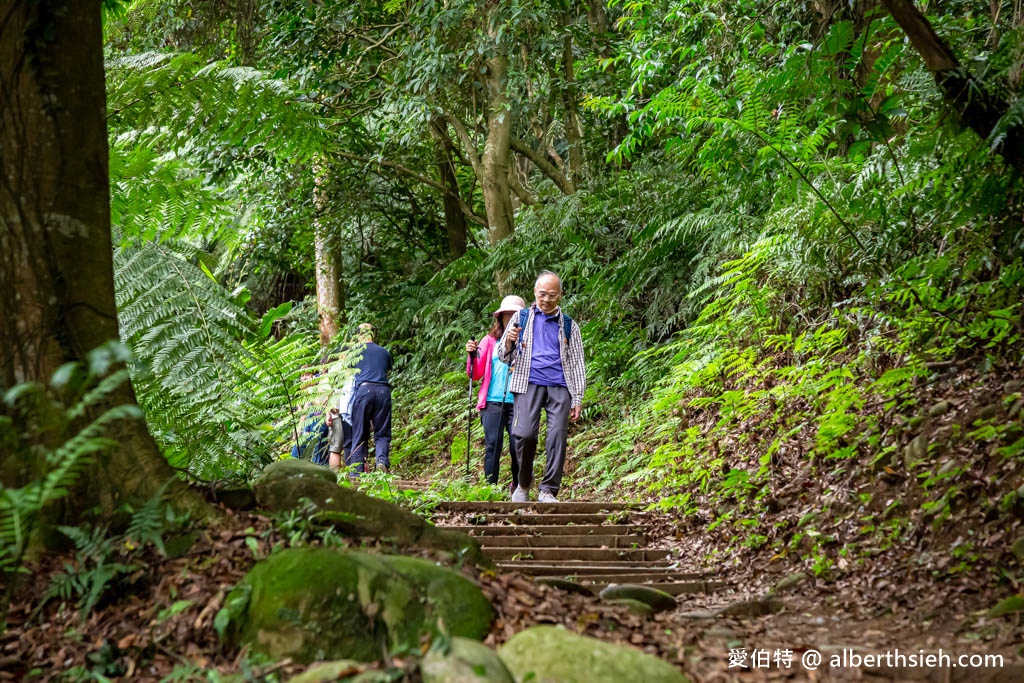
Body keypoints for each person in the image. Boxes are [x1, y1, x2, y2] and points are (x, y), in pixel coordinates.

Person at [499, 271, 585, 503]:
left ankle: (548, 490)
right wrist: (509, 341)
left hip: (560, 385)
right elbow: (502, 356)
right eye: (542, 294)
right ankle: (524, 483)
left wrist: (577, 397)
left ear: (560, 295)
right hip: (528, 383)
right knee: (523, 434)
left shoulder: (569, 325)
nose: (546, 299)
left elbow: (577, 362)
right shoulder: (520, 319)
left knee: (557, 436)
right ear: (534, 293)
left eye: (552, 295)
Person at [466, 295, 526, 495]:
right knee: (493, 443)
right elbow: (476, 374)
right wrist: (472, 356)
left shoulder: (529, 341)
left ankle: (517, 486)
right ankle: (490, 487)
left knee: (518, 445)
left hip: (519, 400)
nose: (511, 319)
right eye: (507, 315)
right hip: (493, 401)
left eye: (515, 315)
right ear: (500, 318)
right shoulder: (489, 341)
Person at [348, 323, 394, 475]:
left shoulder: (354, 352)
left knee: (359, 433)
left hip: (363, 391)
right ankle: (381, 462)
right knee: (382, 432)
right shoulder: (384, 352)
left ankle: (356, 472)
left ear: (358, 335)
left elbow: (350, 375)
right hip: (383, 390)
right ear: (373, 334)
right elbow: (386, 372)